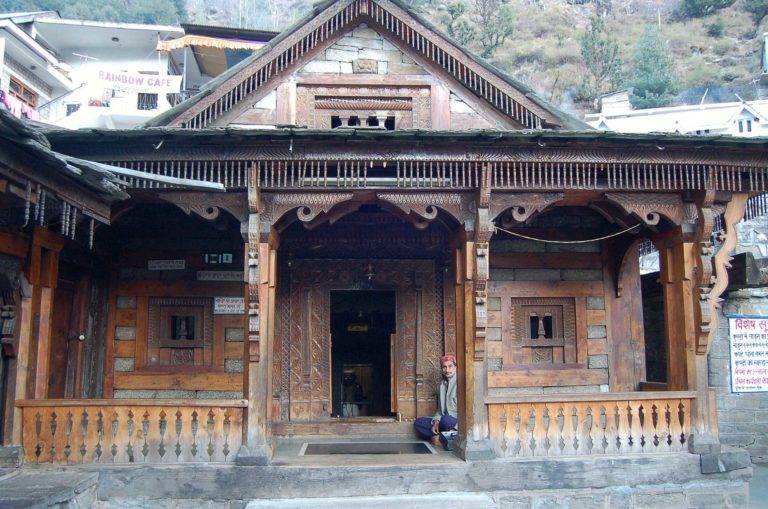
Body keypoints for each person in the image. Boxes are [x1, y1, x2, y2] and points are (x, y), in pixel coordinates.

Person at [414, 355, 457, 440]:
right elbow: (440, 411)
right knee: (419, 423)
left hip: (455, 423)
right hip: (443, 422)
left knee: (446, 420)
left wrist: (457, 426)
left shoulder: (461, 383)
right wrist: (436, 421)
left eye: (450, 366)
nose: (447, 370)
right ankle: (444, 437)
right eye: (444, 367)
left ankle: (442, 437)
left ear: (455, 367)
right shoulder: (442, 385)